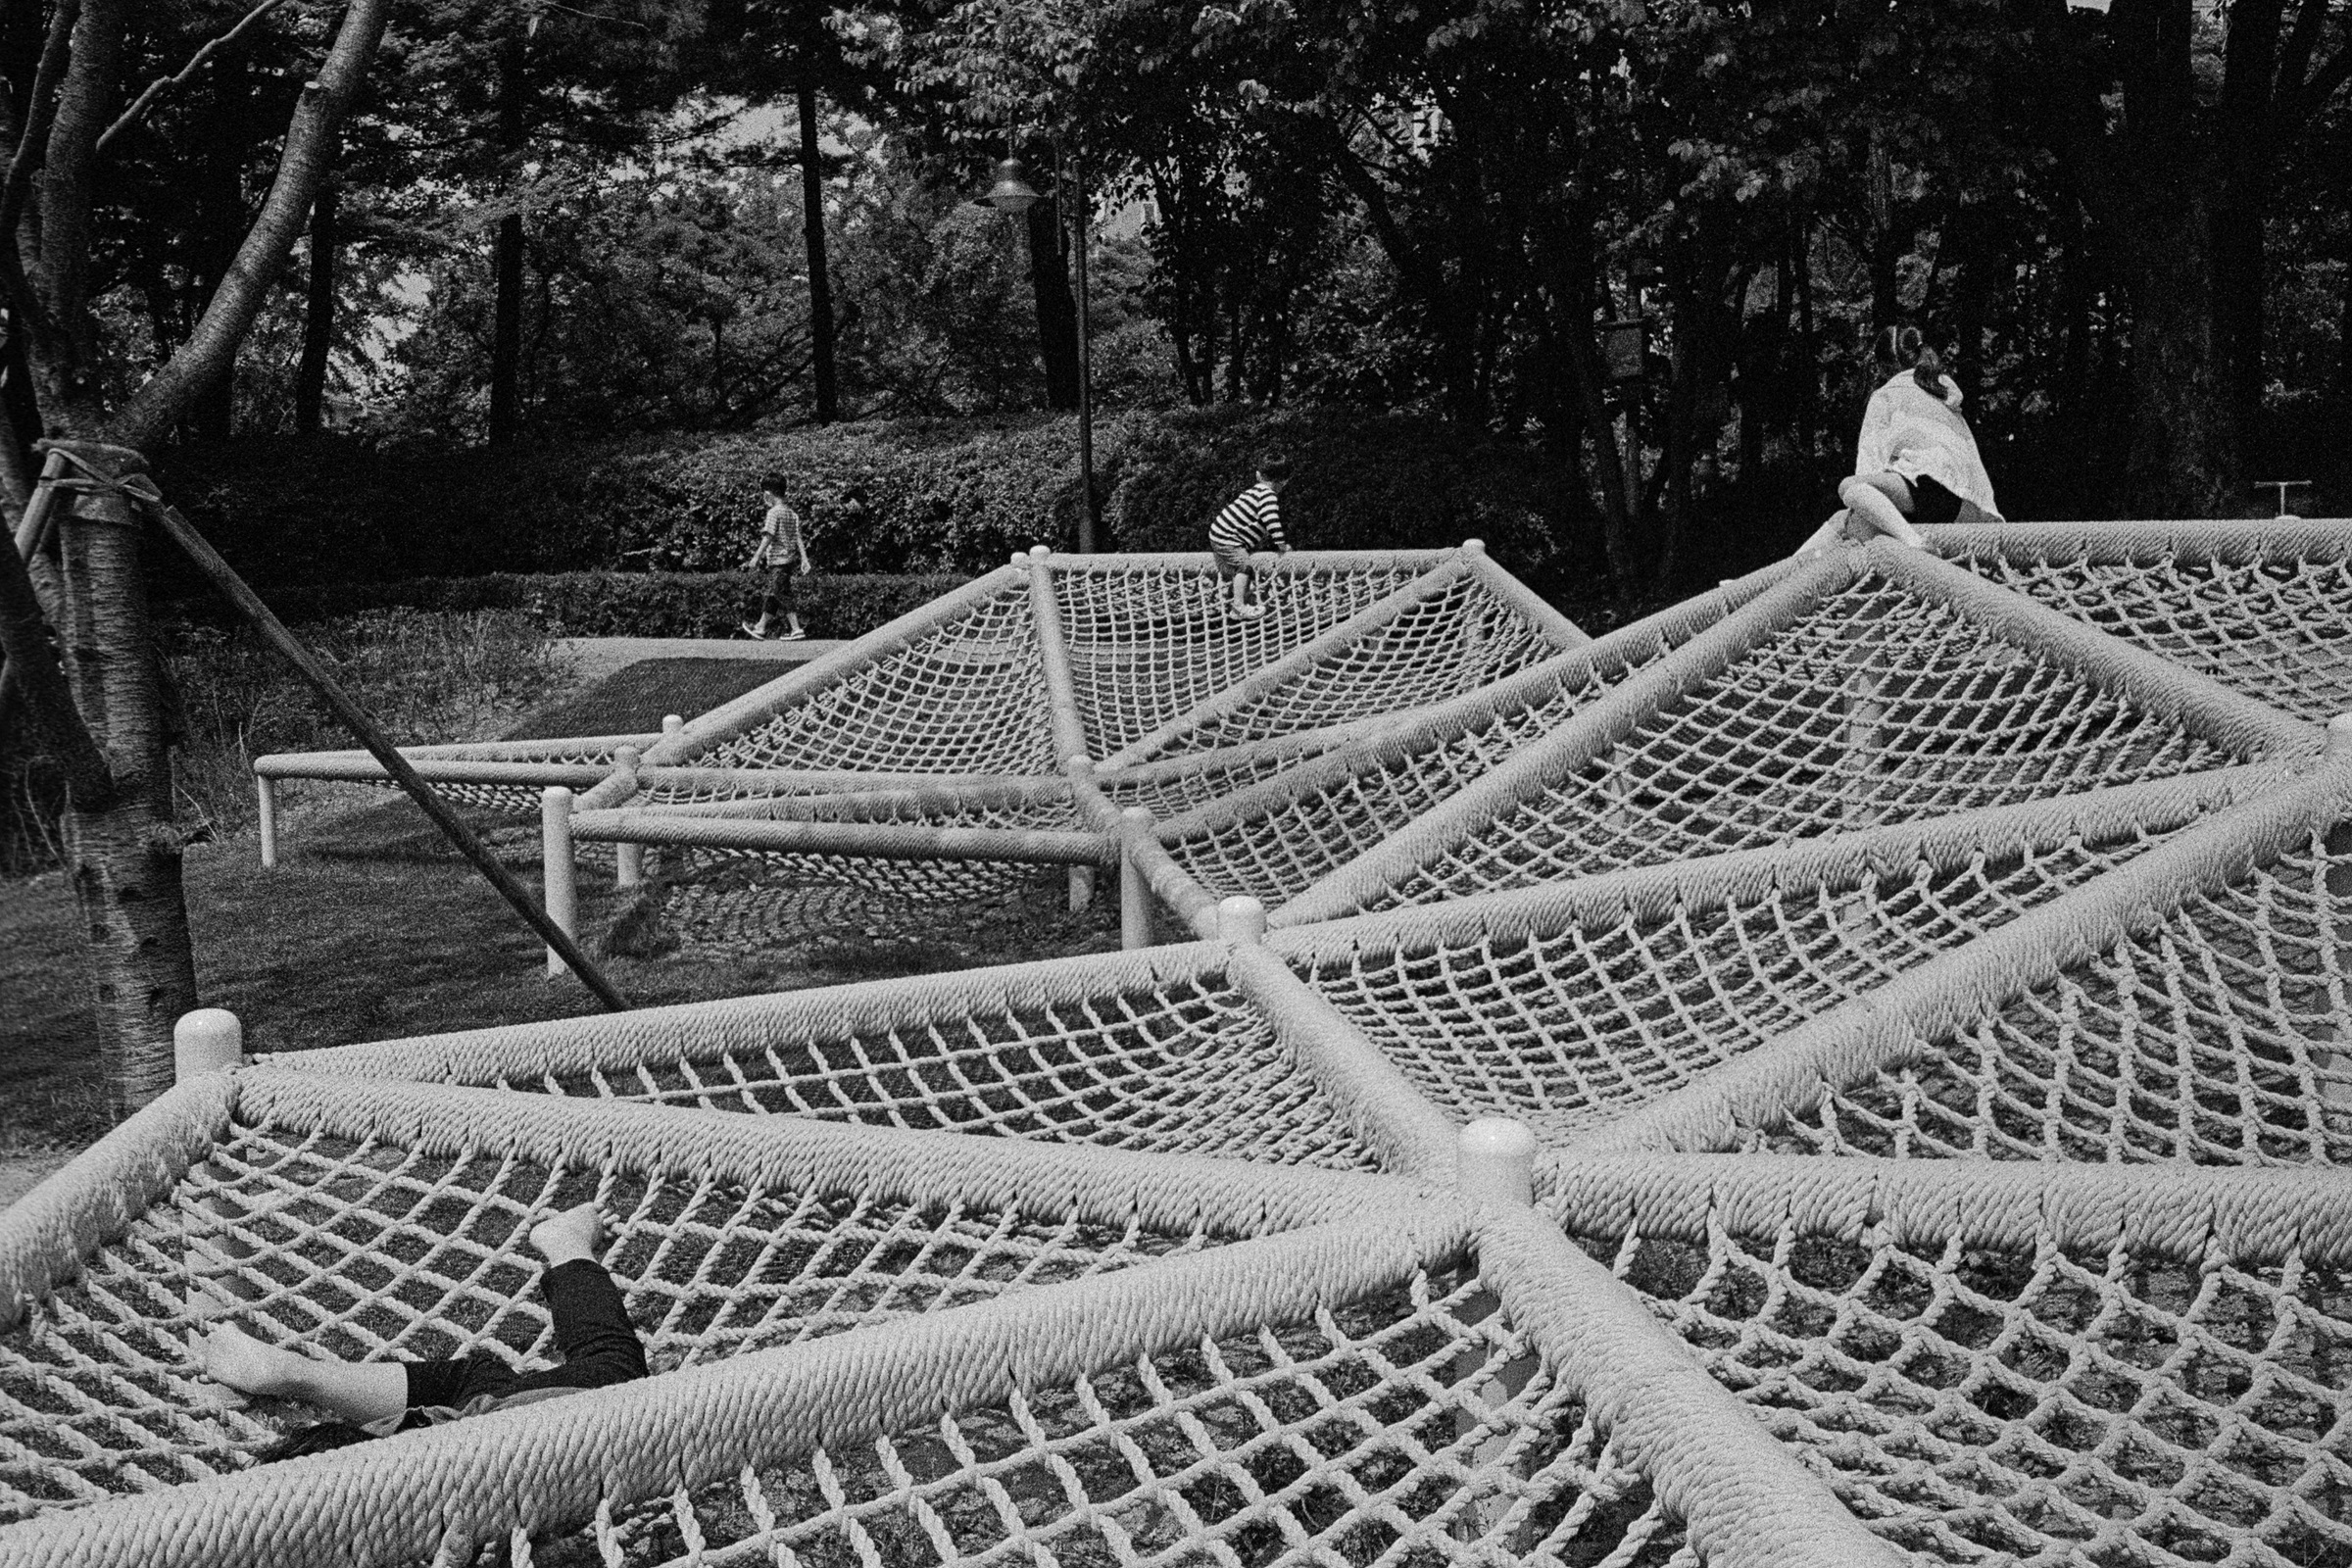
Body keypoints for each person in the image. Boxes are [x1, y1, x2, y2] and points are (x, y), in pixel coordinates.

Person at [196, 1202, 648, 1461]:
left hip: (454, 1433)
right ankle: (299, 1374)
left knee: (487, 1384)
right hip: (471, 1429)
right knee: (613, 1371)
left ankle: (297, 1373)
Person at [1798, 325, 2002, 556]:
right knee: (1842, 519)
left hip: (1932, 491)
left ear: (1883, 367)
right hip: (1968, 502)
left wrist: (1865, 504)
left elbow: (1868, 467)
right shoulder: (1943, 393)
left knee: (1849, 488)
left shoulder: (1886, 395)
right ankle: (1792, 565)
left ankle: (1914, 543)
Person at [1207, 454, 1294, 618]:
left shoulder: (1255, 491)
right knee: (1244, 566)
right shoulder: (1268, 496)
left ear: (1258, 475)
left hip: (1220, 533)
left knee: (1246, 569)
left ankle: (1240, 605)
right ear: (1284, 481)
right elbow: (1272, 521)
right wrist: (1282, 545)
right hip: (1227, 539)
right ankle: (1238, 606)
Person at [740, 474, 810, 641]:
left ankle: (796, 629)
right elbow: (798, 537)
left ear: (768, 494)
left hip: (778, 561)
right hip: (788, 561)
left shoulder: (773, 513)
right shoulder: (791, 514)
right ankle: (761, 627)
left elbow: (768, 536)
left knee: (781, 593)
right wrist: (804, 559)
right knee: (774, 593)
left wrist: (756, 556)